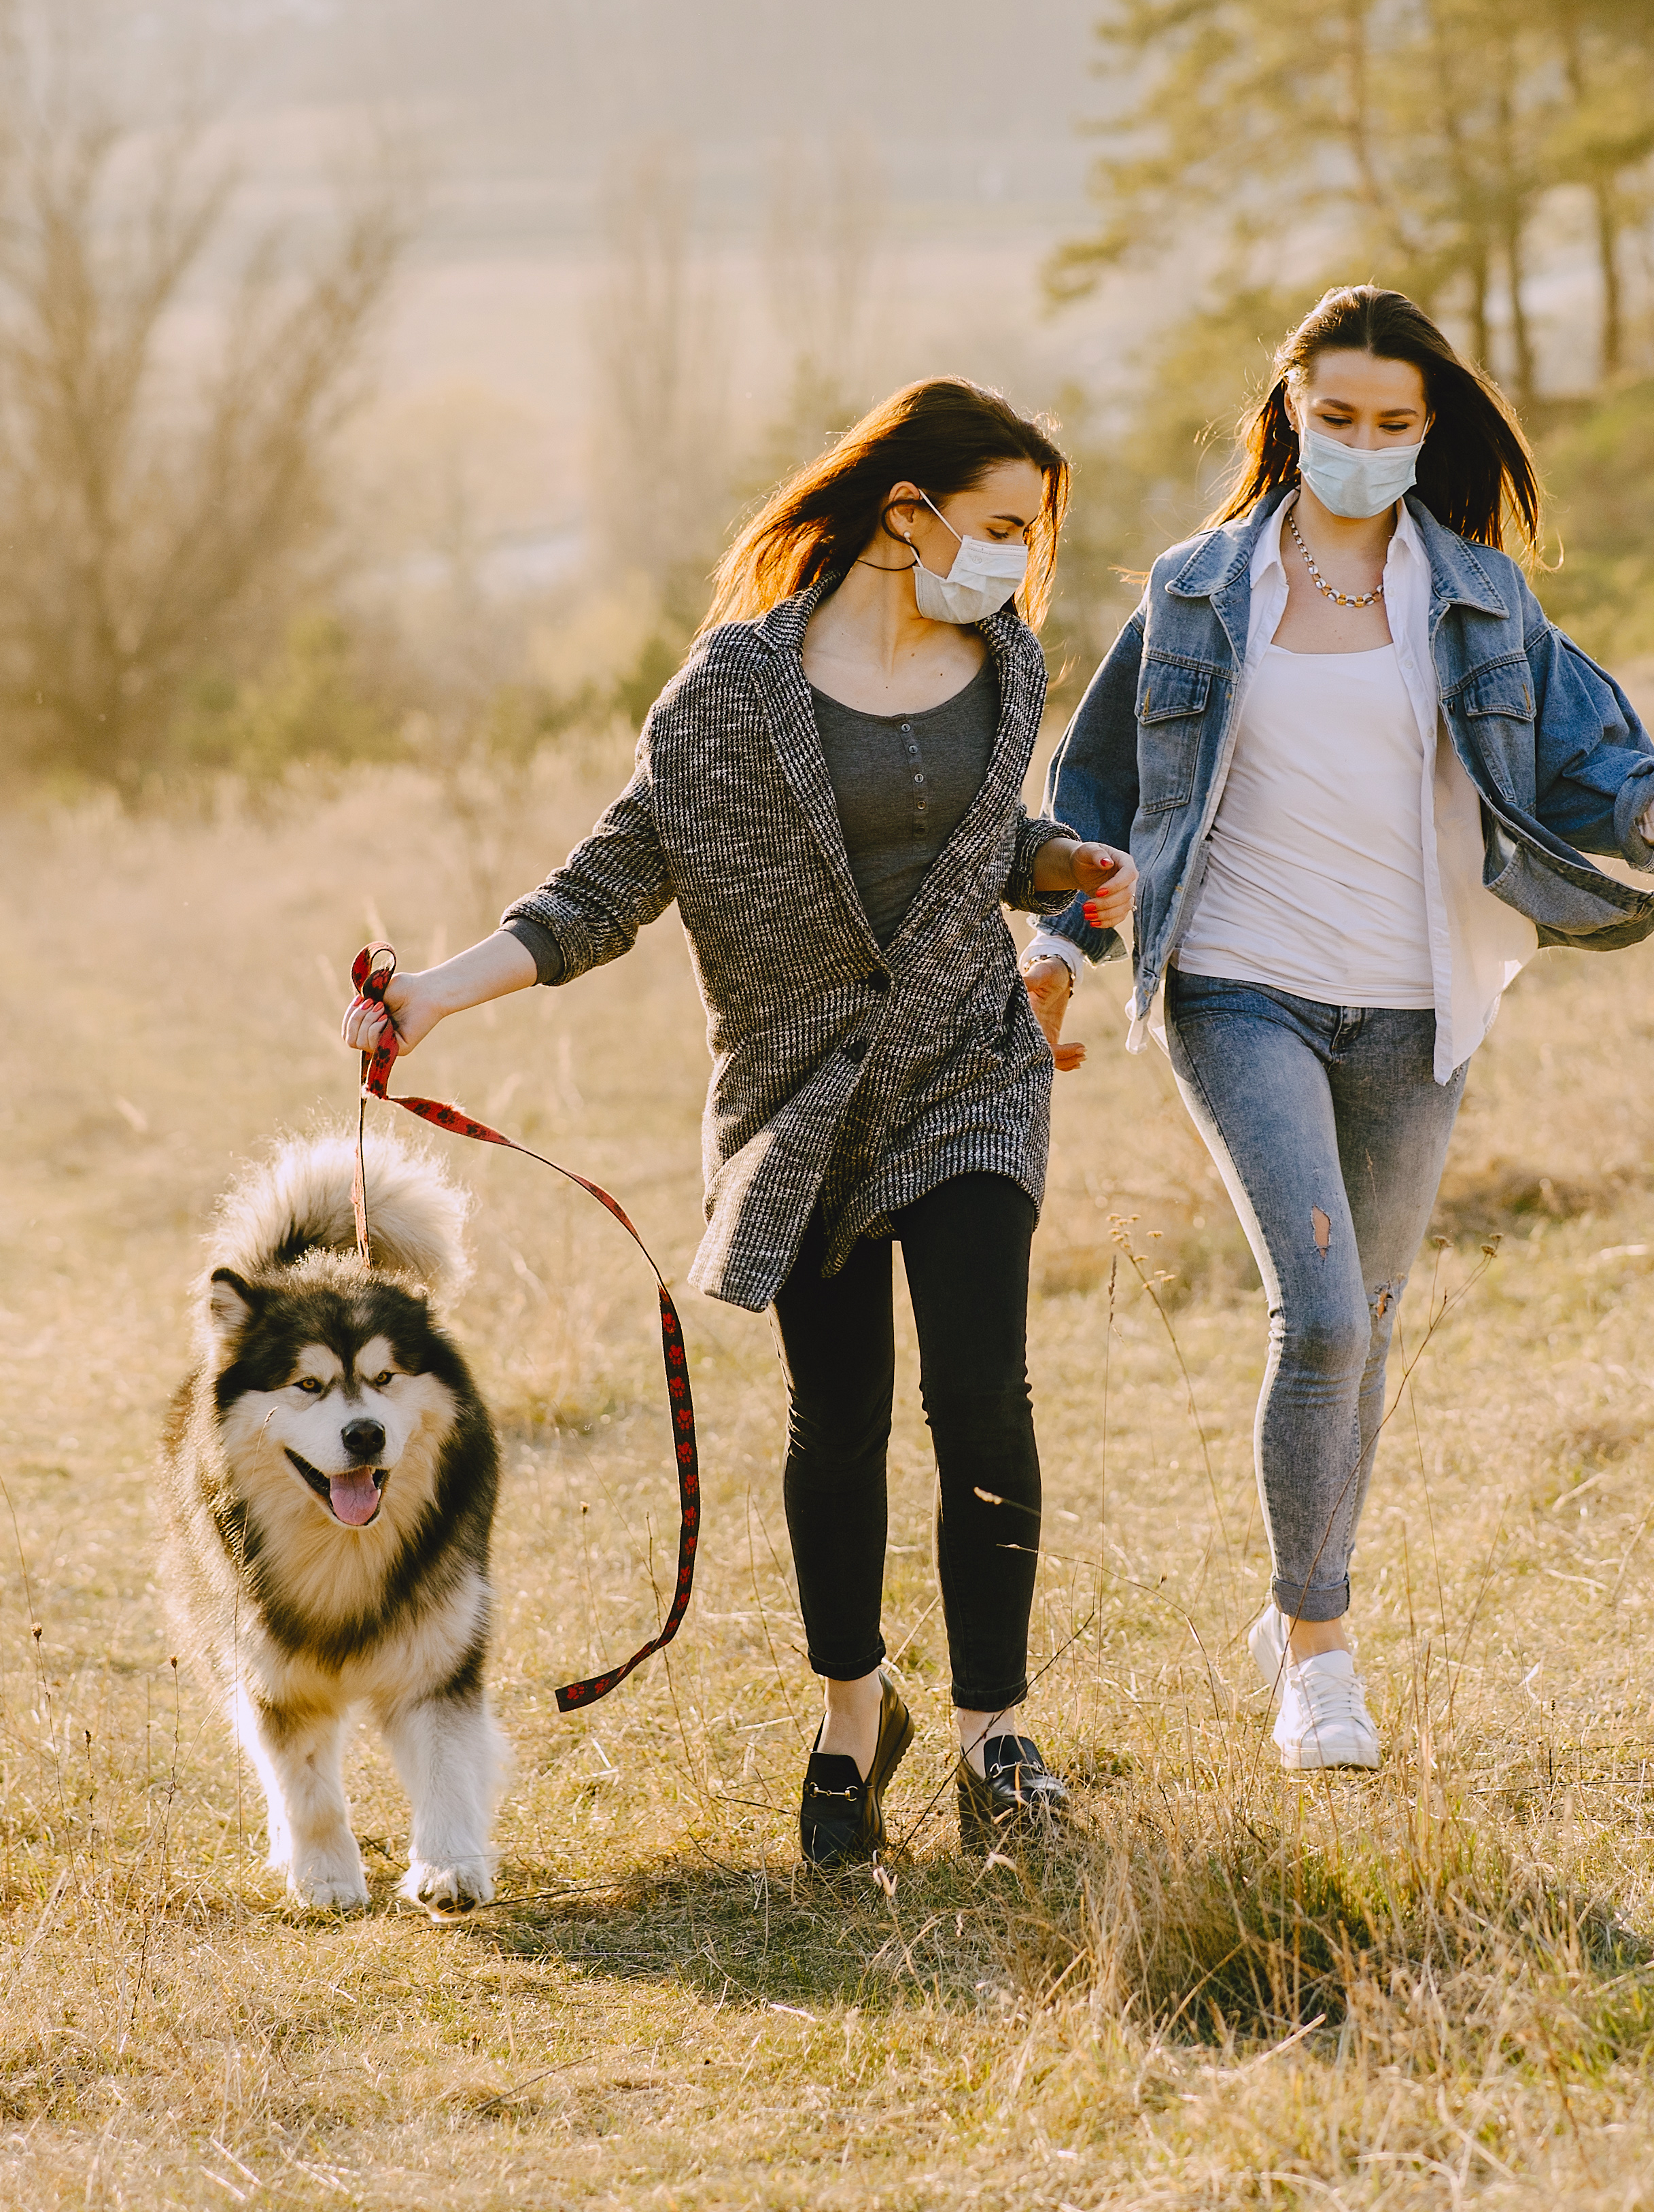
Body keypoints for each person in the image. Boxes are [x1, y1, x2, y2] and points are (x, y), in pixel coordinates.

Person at [351, 378, 1132, 1867]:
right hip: (801, 1105)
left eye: (1031, 533)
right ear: (905, 512)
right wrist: (435, 994)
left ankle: (995, 1741)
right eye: (999, 525)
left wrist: (1055, 861)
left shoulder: (1008, 664)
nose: (1018, 560)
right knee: (836, 1423)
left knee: (983, 1397)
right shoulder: (730, 694)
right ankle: (855, 1717)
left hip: (971, 1071)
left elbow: (969, 837)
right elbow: (611, 880)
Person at [1037, 286, 1654, 1773]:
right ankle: (1320, 1654)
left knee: (1371, 1324)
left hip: (1417, 999)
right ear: (1289, 413)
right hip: (1236, 983)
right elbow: (1100, 798)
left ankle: (1295, 1597)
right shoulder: (1198, 590)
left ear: (1428, 430)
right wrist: (1063, 941)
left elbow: (1592, 761)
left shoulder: (1480, 596)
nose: (1364, 445)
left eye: (1395, 424)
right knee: (1321, 1313)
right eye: (1337, 419)